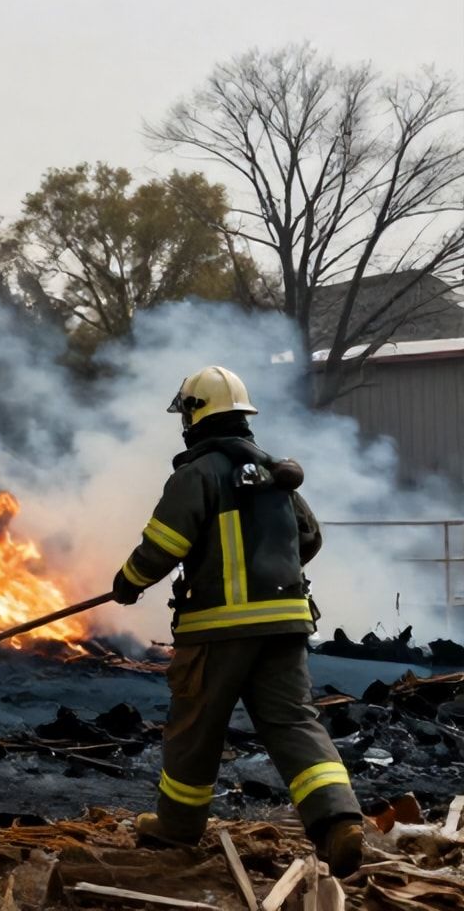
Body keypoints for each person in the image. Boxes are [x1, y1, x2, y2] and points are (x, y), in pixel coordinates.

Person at [113, 366, 364, 875]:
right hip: (286, 625)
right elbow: (309, 538)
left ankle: (178, 829)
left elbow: (164, 545)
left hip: (217, 631)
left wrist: (128, 581)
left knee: (195, 728)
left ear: (194, 414)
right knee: (293, 722)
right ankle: (338, 822)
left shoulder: (196, 474)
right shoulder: (276, 473)